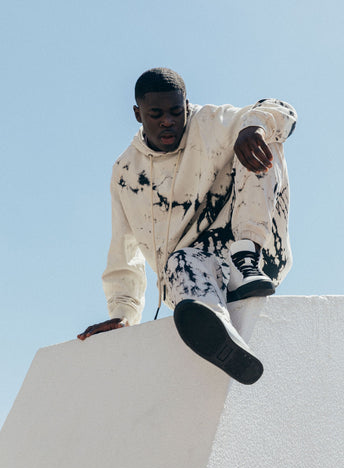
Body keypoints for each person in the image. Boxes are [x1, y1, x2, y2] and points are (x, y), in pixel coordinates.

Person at [78, 67, 297, 384]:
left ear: (187, 105)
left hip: (256, 256)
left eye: (175, 112)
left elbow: (281, 111)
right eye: (156, 114)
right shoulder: (126, 172)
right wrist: (123, 314)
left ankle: (245, 258)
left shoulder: (211, 122)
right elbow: (124, 250)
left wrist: (256, 126)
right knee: (178, 260)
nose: (168, 121)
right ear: (138, 114)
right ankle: (220, 331)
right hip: (194, 278)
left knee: (259, 130)